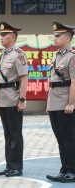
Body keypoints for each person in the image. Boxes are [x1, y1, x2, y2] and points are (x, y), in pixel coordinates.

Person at [0, 22, 28, 177]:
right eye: (1, 35)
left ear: (13, 37)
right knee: (7, 133)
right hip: (3, 97)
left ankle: (16, 166)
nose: (1, 37)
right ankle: (9, 165)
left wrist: (22, 99)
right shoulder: (4, 54)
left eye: (4, 35)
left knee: (15, 133)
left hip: (13, 97)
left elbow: (24, 78)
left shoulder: (18, 54)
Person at [46, 22, 75, 183]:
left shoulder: (72, 57)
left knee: (69, 138)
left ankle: (72, 170)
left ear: (67, 38)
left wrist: (71, 103)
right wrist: (48, 104)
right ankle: (64, 169)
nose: (55, 38)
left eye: (58, 36)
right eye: (55, 35)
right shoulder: (57, 56)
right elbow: (52, 82)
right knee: (60, 138)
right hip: (55, 103)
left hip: (66, 103)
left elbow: (74, 82)